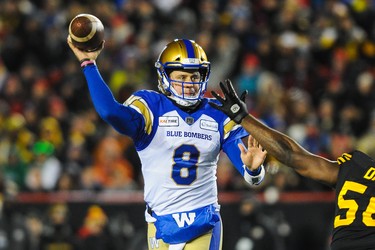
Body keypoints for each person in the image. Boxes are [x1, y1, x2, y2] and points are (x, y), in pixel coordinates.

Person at [67, 37, 267, 250]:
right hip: (159, 221)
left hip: (202, 221)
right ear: (165, 76)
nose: (190, 84)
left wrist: (254, 170)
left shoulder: (219, 112)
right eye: (182, 76)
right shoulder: (151, 106)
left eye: (195, 76)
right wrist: (89, 65)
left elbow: (251, 176)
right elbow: (110, 112)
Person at [209, 79, 375, 250]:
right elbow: (290, 154)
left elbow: (290, 154)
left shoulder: (356, 167)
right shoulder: (355, 167)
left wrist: (243, 118)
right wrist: (243, 118)